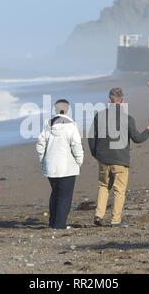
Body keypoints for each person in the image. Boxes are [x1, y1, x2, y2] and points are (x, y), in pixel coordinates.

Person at [88, 88, 149, 228]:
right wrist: (148, 131)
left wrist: (96, 154)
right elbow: (138, 138)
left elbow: (91, 138)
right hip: (120, 160)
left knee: (104, 186)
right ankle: (115, 220)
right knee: (119, 190)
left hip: (103, 158)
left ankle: (99, 215)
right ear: (122, 101)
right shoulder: (128, 118)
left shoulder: (99, 116)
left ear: (109, 101)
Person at [36, 99, 84, 230]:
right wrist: (79, 161)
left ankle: (53, 223)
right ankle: (59, 225)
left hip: (50, 166)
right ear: (67, 110)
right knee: (65, 196)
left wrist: (43, 160)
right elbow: (76, 146)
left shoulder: (48, 124)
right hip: (67, 167)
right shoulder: (72, 125)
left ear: (55, 110)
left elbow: (40, 144)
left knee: (55, 193)